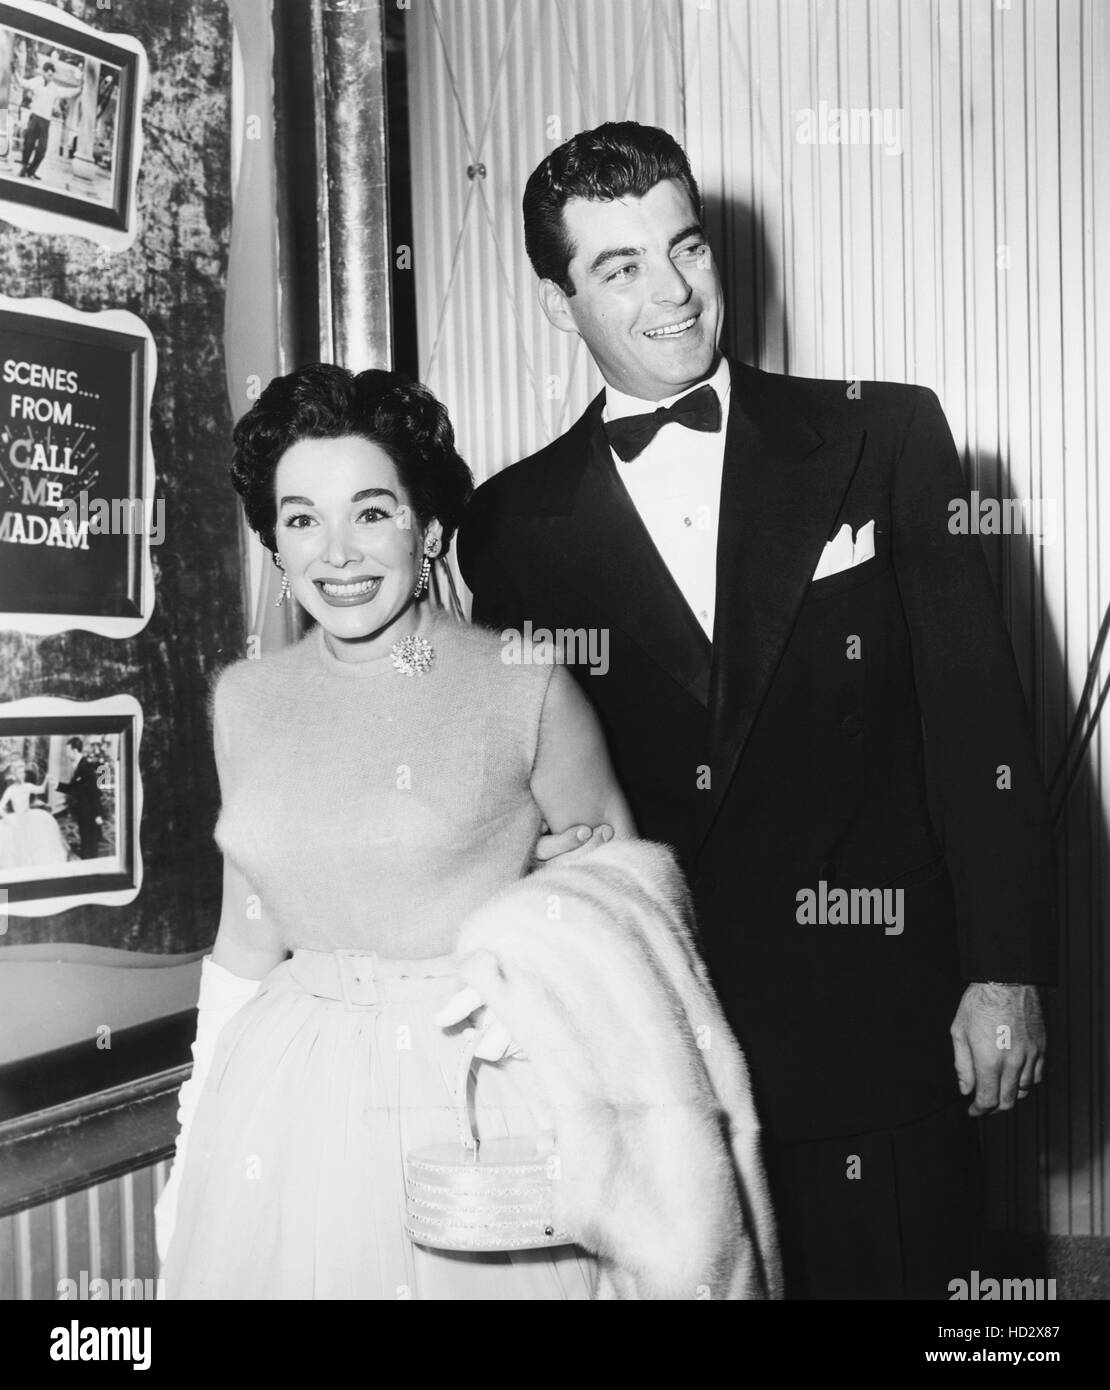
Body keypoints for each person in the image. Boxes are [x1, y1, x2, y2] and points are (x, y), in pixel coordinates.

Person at [457, 121, 1058, 1300]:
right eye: (618, 267)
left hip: (884, 1030)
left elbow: (981, 732)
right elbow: (537, 799)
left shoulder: (886, 436)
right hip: (664, 1056)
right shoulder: (510, 526)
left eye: (687, 247)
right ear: (556, 303)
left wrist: (1006, 970)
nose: (674, 292)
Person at [156, 364, 644, 1300]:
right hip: (288, 1109)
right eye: (301, 519)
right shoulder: (247, 703)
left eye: (371, 512)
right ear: (274, 543)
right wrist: (196, 1146)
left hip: (478, 1105)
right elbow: (246, 940)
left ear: (427, 528)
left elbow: (630, 921)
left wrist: (533, 999)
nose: (337, 553)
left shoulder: (524, 682)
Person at [19, 58, 81, 182]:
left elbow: (67, 92)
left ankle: (32, 170)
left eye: (52, 73)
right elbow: (23, 83)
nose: (50, 74)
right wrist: (13, 72)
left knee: (42, 149)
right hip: (35, 118)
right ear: (43, 72)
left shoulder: (54, 88)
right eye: (48, 72)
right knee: (28, 145)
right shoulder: (36, 81)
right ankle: (24, 167)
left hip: (45, 122)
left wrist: (79, 89)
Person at [0, 761, 69, 871]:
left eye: (23, 773)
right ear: (15, 775)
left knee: (38, 837)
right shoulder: (11, 790)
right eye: (19, 773)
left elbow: (40, 789)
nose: (22, 776)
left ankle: (37, 871)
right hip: (16, 819)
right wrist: (6, 817)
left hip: (29, 817)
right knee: (16, 846)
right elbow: (0, 806)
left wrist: (46, 779)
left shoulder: (27, 786)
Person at [56, 737, 104, 860]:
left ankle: (91, 869)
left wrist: (98, 815)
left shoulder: (85, 767)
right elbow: (74, 789)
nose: (66, 754)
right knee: (86, 842)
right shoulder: (80, 766)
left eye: (68, 751)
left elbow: (94, 791)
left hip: (90, 813)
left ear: (75, 750)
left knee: (90, 846)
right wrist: (56, 785)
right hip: (83, 813)